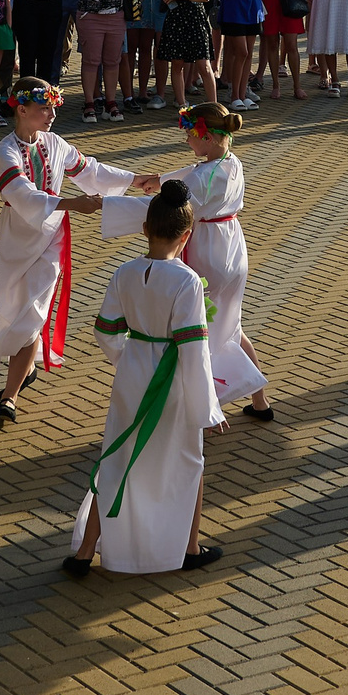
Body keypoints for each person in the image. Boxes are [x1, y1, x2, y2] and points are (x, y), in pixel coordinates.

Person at [66, 179, 226, 578]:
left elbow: (104, 330)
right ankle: (188, 548)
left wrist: (127, 358)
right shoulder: (187, 280)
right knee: (190, 461)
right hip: (170, 382)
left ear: (144, 229)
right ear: (187, 234)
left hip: (132, 374)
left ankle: (87, 550)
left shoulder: (124, 271)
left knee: (117, 457)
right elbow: (194, 350)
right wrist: (208, 407)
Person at [0, 79, 146, 423]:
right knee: (13, 309)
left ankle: (9, 396)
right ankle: (25, 366)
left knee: (33, 315)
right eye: (43, 109)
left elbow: (90, 169)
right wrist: (71, 203)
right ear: (21, 110)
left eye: (53, 108)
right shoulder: (5, 151)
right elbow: (20, 194)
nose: (51, 115)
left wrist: (137, 179)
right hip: (16, 238)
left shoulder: (55, 143)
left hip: (51, 239)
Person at [101, 102, 269, 418]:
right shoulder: (230, 161)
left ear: (205, 137)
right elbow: (192, 177)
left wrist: (110, 205)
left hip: (206, 251)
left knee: (197, 330)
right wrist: (160, 179)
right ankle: (260, 402)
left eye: (189, 135)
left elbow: (172, 207)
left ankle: (201, 409)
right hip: (232, 246)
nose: (187, 142)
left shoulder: (204, 175)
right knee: (231, 325)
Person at [156, 0, 219, 111]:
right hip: (177, 21)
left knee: (204, 65)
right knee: (177, 64)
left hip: (197, 21)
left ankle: (214, 106)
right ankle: (182, 104)